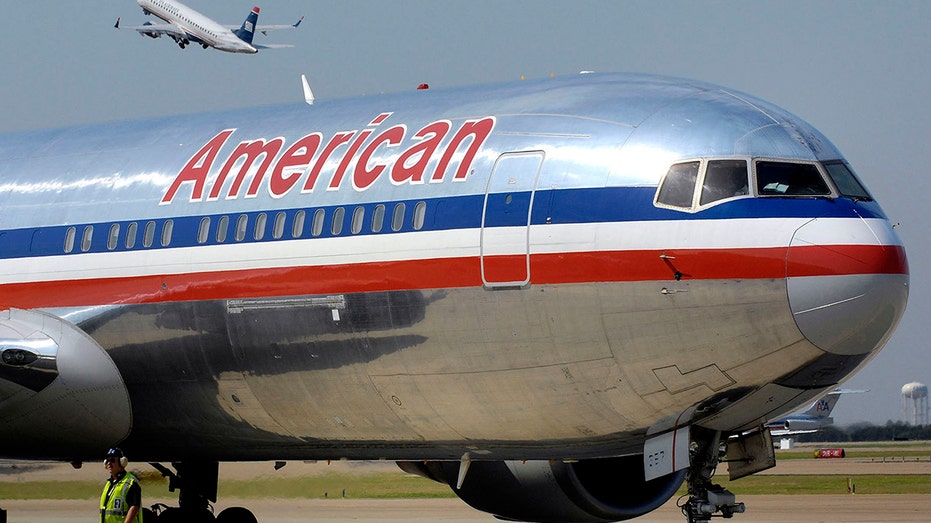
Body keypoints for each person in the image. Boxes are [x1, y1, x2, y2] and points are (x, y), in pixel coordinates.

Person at [100, 447, 142, 523]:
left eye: (112, 460)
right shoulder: (109, 484)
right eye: (107, 461)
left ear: (122, 462)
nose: (109, 463)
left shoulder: (130, 483)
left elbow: (134, 507)